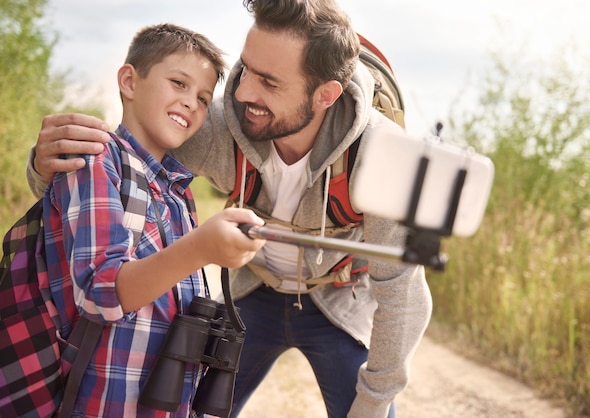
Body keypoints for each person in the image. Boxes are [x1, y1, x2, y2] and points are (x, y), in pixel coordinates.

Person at [27, 1, 433, 417]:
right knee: (194, 403)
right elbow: (121, 164)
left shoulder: (383, 159)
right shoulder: (218, 126)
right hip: (252, 295)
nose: (241, 94)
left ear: (325, 94)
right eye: (246, 70)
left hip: (338, 301)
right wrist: (44, 166)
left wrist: (373, 403)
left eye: (269, 83)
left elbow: (403, 293)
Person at [39, 23, 265, 417]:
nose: (192, 103)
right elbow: (100, 292)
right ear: (129, 80)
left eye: (202, 97)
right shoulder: (95, 159)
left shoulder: (179, 193)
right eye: (178, 83)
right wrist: (199, 249)